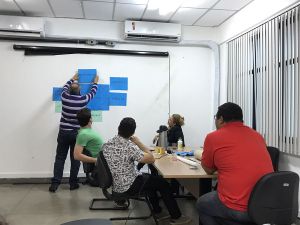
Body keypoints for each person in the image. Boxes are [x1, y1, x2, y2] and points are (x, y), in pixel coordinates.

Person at [102, 117, 191, 225]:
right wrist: (138, 142)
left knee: (151, 179)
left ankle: (157, 209)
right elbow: (151, 158)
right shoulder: (129, 146)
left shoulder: (107, 144)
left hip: (117, 184)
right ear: (133, 132)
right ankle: (177, 217)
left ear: (118, 128)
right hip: (129, 185)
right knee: (163, 183)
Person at [196, 102, 274, 225]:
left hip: (238, 207)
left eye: (215, 118)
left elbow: (208, 170)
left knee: (202, 204)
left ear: (221, 119)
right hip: (264, 206)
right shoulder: (257, 136)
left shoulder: (213, 137)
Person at [49, 73, 99, 192]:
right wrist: (95, 82)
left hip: (63, 132)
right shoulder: (83, 100)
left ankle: (55, 184)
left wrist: (73, 79)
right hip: (77, 134)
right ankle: (73, 183)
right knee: (75, 158)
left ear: (70, 90)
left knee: (60, 158)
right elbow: (93, 93)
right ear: (80, 90)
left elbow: (65, 87)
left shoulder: (64, 97)